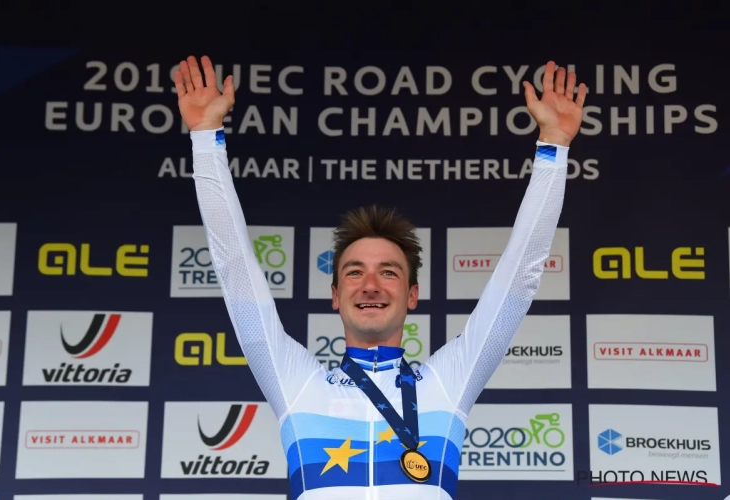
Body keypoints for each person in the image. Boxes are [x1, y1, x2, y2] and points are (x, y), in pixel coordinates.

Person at [175, 54, 586, 500]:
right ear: (335, 295)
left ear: (412, 295)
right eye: (355, 272)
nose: (370, 285)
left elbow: (518, 278)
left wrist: (554, 146)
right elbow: (235, 268)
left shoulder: (447, 384)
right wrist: (205, 138)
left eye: (388, 272)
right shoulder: (299, 385)